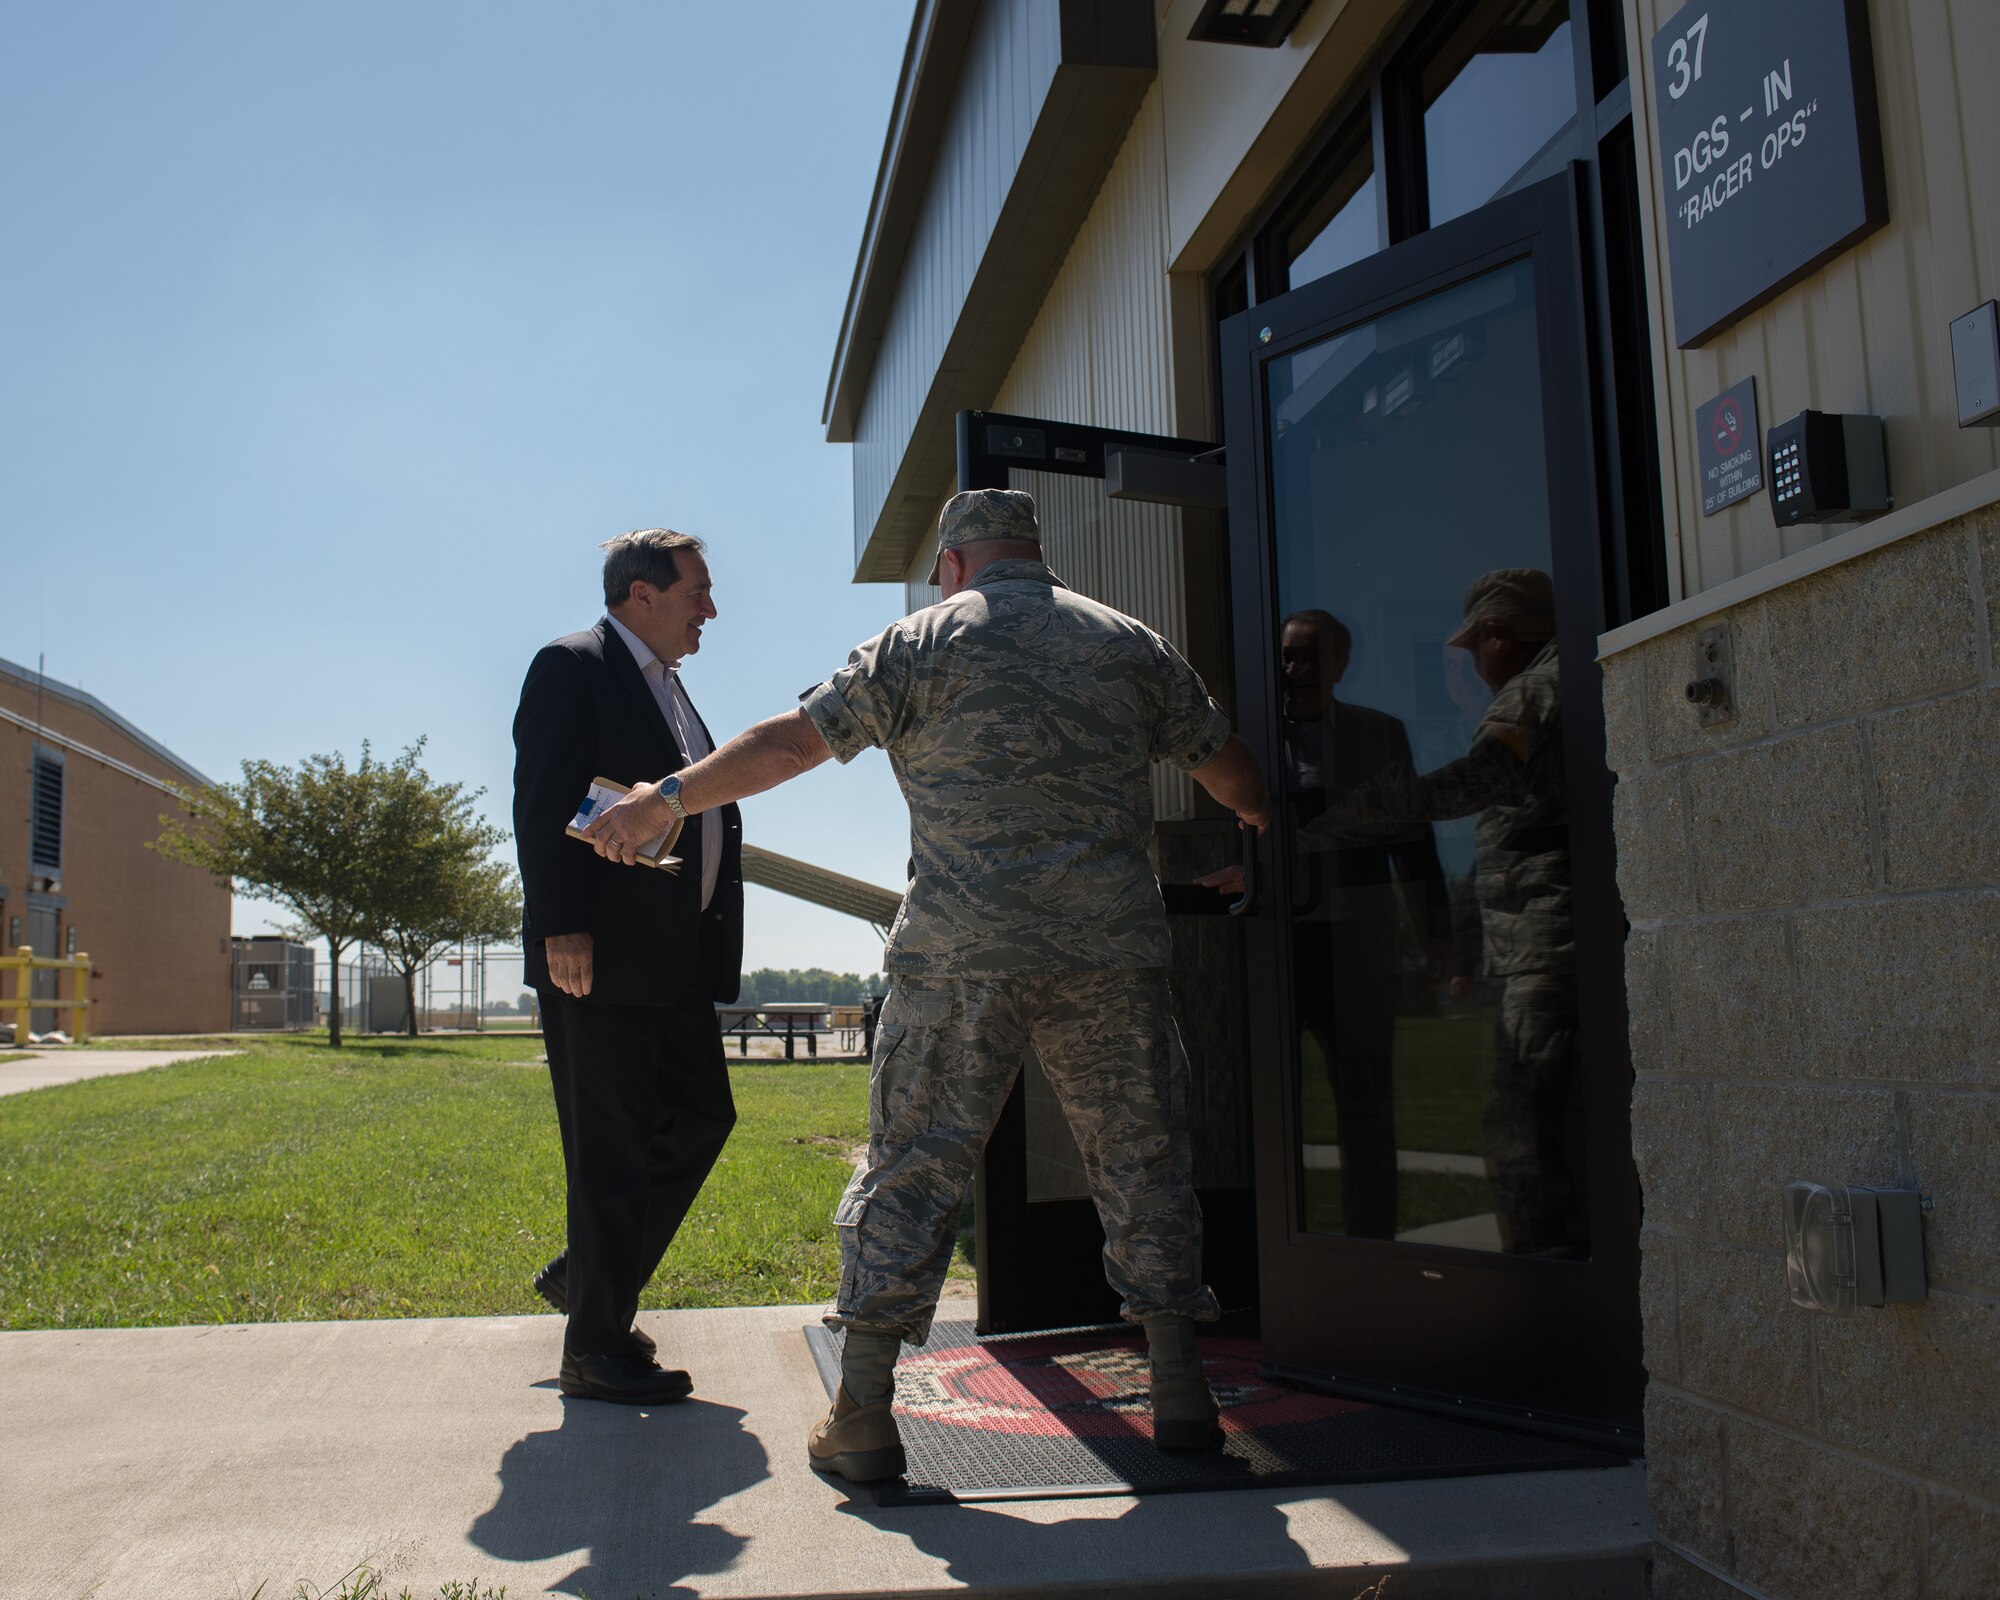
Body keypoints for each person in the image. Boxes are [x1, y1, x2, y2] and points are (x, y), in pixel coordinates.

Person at [580, 488, 1271, 1483]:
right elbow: (1229, 771)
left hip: (958, 957)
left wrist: (665, 799)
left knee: (912, 1164)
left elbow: (788, 744)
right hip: (1107, 955)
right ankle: (1178, 1390)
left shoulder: (916, 643)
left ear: (951, 565)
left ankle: (862, 1410)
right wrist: (1257, 826)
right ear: (1031, 554)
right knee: (1141, 1160)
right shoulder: (1128, 643)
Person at [511, 528, 745, 1405]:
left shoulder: (674, 693)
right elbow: (541, 805)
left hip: (677, 960)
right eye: (698, 592)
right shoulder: (571, 666)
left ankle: (588, 1283)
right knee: (610, 1150)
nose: (710, 610)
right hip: (600, 958)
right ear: (641, 594)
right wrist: (559, 927)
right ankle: (596, 1346)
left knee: (699, 1119)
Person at [1297, 569, 1583, 1257]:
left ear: (1498, 637)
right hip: (1545, 943)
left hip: (1551, 950)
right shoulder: (1570, 681)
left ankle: (1543, 1288)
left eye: (1473, 649)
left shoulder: (1537, 691)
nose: (1471, 666)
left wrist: (1352, 819)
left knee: (1523, 1130)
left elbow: (1479, 781)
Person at [1273, 610, 1448, 1238]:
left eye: (1311, 658)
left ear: (1341, 666)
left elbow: (1414, 841)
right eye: (1288, 657)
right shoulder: (1257, 739)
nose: (1295, 671)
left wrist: (1439, 940)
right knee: (1273, 1107)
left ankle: (1372, 1244)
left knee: (1367, 1106)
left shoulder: (1379, 735)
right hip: (1282, 946)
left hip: (1360, 948)